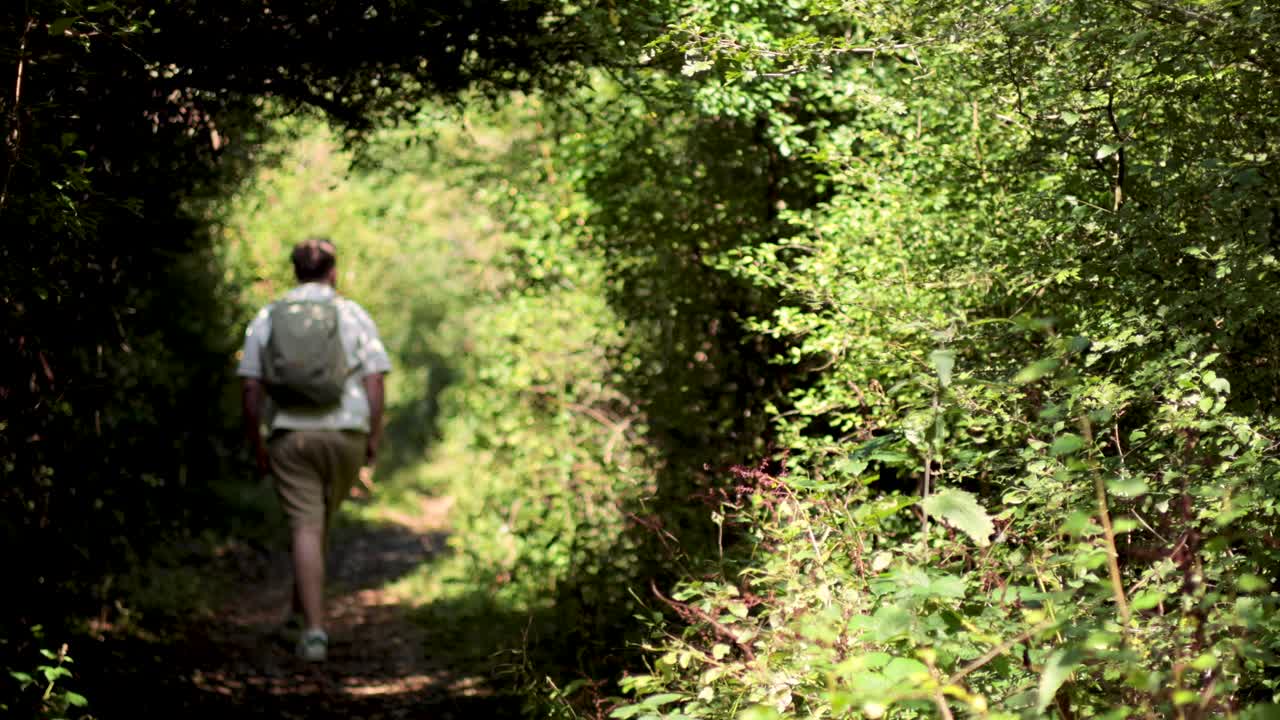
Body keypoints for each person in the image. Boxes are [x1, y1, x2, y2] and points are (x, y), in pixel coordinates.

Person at [237, 237, 391, 662]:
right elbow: (375, 381)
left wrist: (259, 445)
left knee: (307, 526)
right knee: (318, 524)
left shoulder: (270, 316)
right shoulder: (352, 314)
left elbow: (251, 388)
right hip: (346, 434)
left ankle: (312, 630)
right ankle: (304, 618)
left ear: (295, 271)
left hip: (291, 434)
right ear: (333, 271)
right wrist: (373, 439)